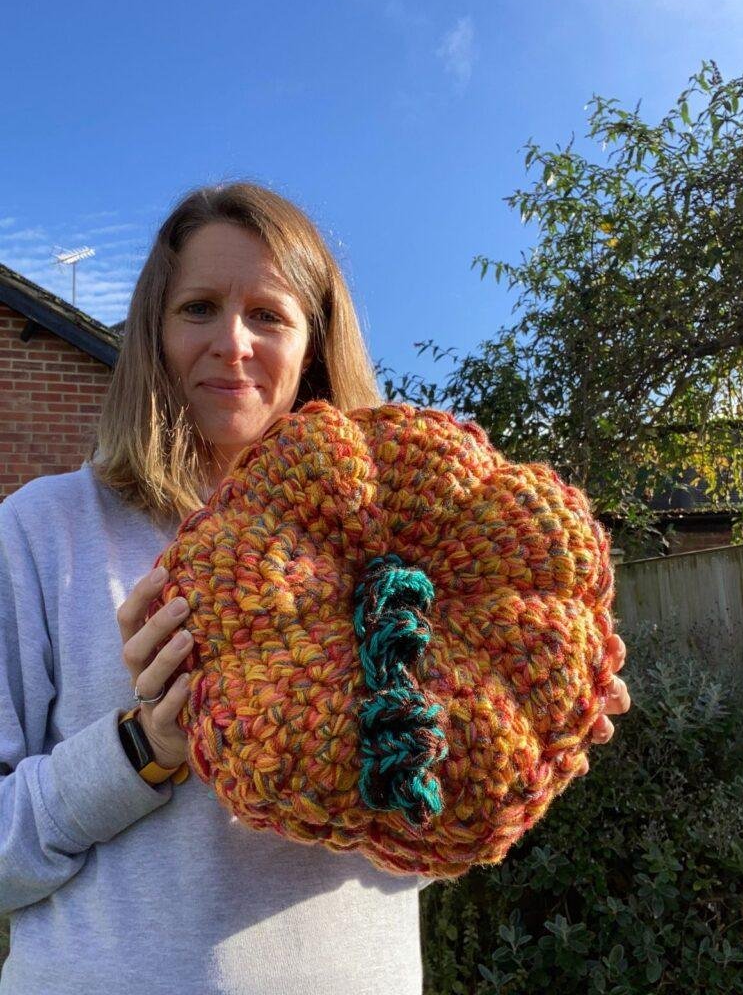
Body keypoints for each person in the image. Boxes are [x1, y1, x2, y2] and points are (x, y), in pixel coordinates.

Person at [0, 182, 631, 994]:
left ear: (314, 344)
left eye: (269, 314)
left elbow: (418, 844)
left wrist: (528, 743)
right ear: (154, 329)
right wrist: (141, 752)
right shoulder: (43, 531)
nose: (233, 341)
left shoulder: (426, 553)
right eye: (198, 307)